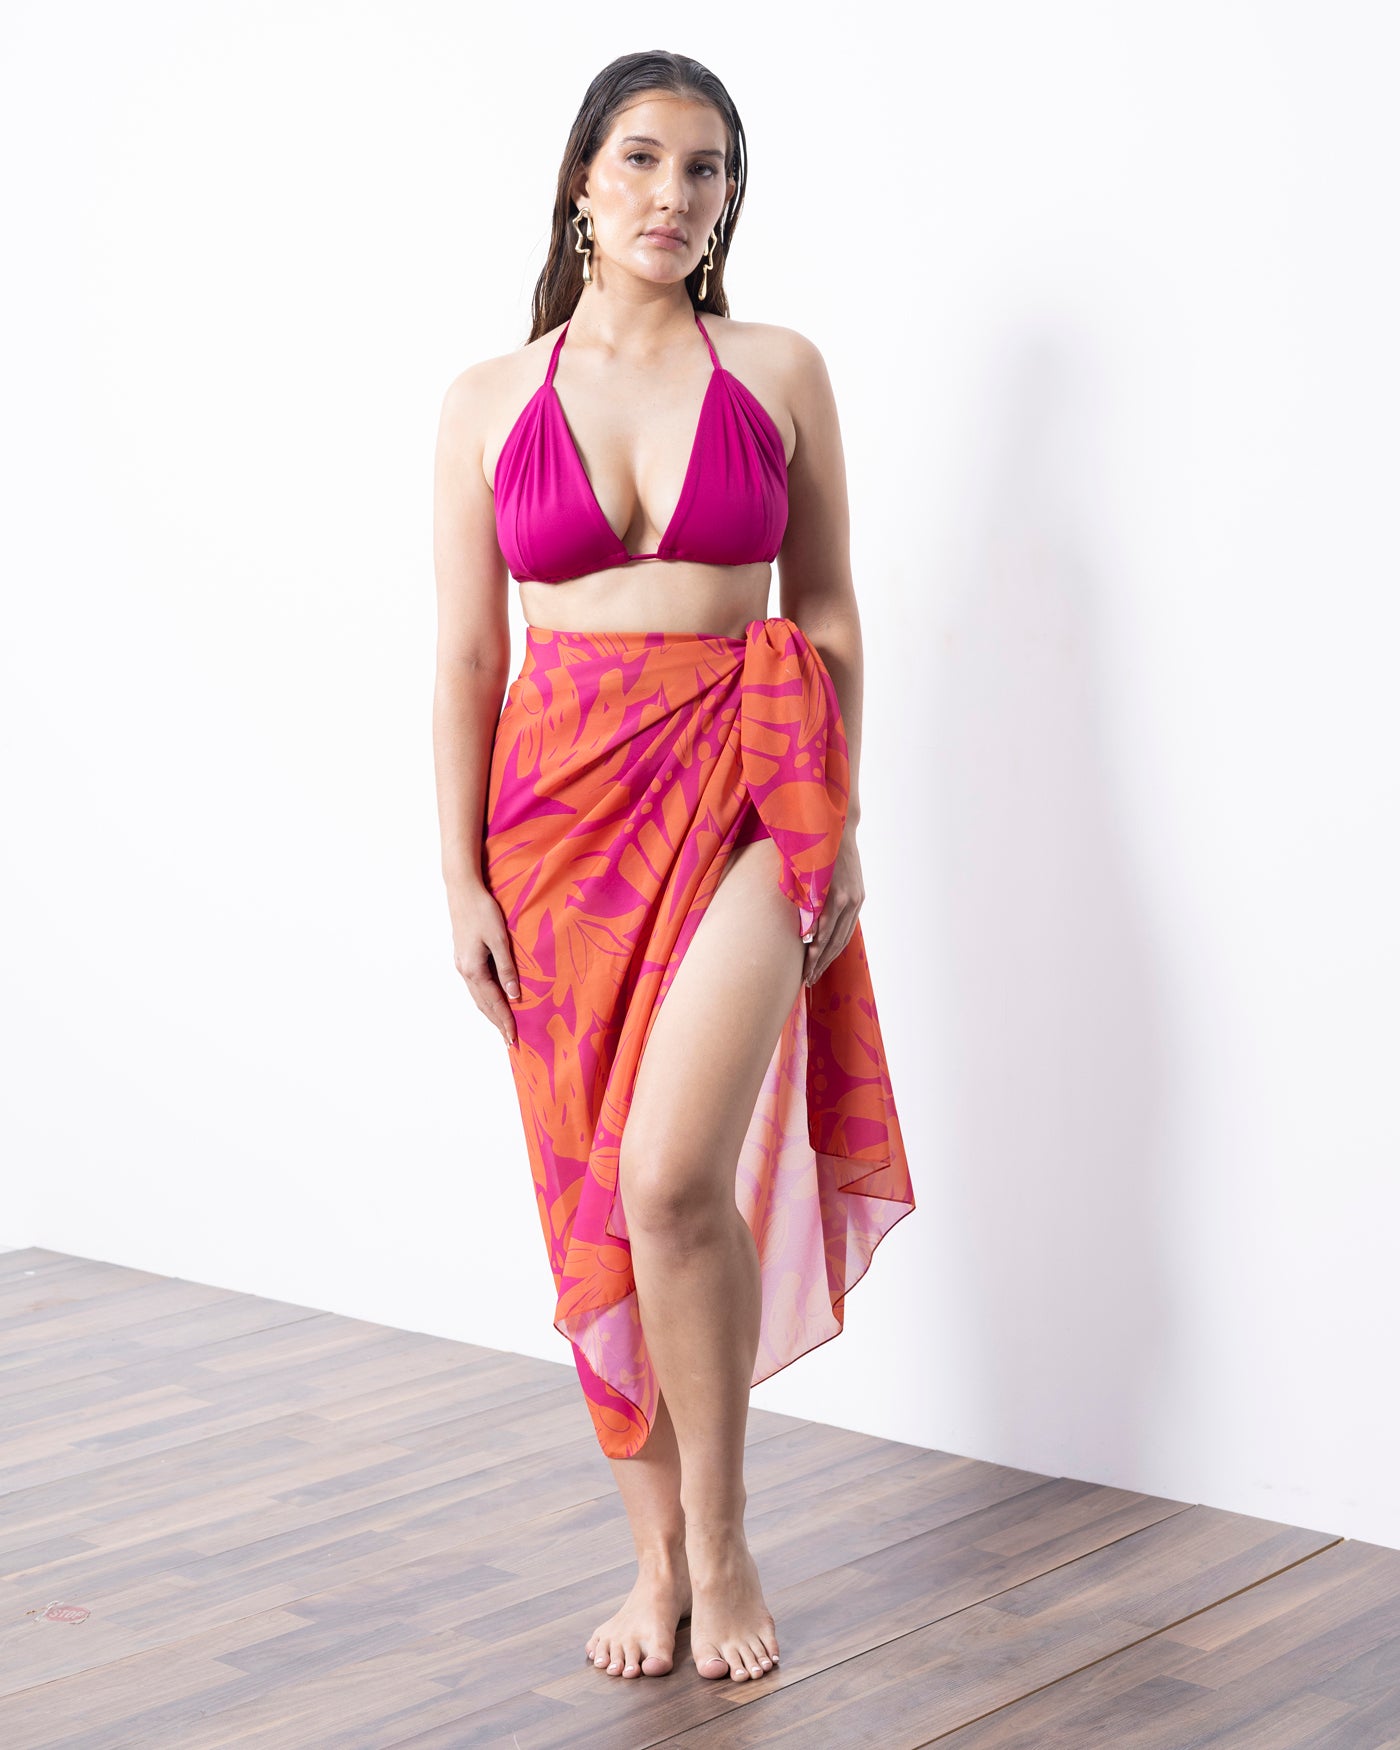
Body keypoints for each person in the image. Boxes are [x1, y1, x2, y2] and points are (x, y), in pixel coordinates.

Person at [431, 49, 914, 1687]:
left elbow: (828, 607)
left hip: (750, 790)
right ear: (581, 178)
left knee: (667, 1178)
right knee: (594, 1196)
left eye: (705, 169)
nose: (673, 193)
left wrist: (840, 815)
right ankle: (650, 1558)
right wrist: (458, 880)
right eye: (642, 158)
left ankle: (723, 1537)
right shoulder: (487, 399)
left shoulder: (778, 368)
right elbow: (466, 658)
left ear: (727, 202)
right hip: (552, 824)